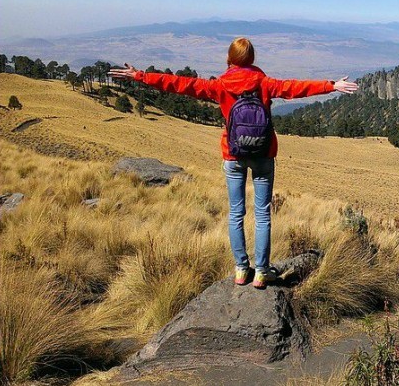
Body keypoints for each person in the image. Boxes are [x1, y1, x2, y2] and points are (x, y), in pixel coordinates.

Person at [108, 37, 358, 288]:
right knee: (262, 215)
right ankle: (261, 272)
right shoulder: (265, 83)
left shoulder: (219, 85)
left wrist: (140, 76)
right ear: (252, 59)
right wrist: (331, 85)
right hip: (263, 154)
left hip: (233, 154)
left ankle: (241, 269)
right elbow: (295, 87)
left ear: (230, 59)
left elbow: (179, 84)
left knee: (236, 213)